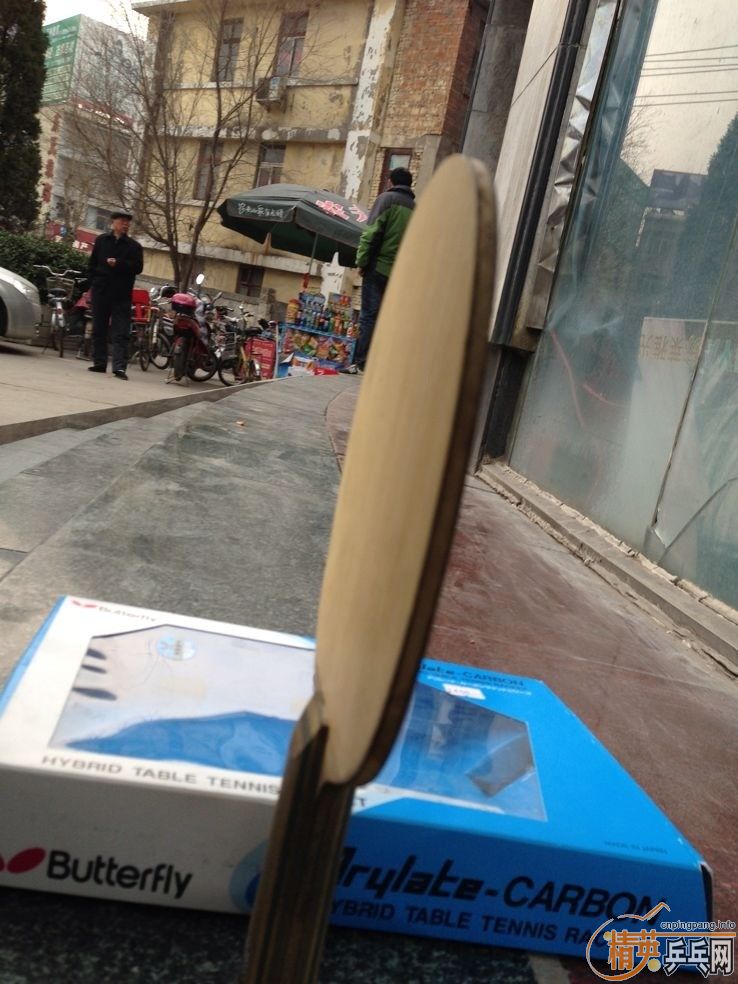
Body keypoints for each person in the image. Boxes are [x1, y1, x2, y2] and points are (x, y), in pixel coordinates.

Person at [341, 166, 415, 375]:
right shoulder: (415, 208)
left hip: (377, 268)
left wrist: (362, 262)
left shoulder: (386, 200)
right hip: (398, 274)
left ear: (391, 182)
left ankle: (360, 363)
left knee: (369, 316)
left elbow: (370, 233)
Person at [86, 209, 144, 380]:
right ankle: (99, 362)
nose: (125, 225)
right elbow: (92, 264)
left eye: (127, 222)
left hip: (121, 294)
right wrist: (92, 282)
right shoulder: (102, 240)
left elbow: (138, 267)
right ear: (113, 223)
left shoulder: (134, 246)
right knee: (99, 328)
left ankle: (119, 367)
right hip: (101, 290)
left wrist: (119, 264)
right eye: (122, 221)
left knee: (120, 332)